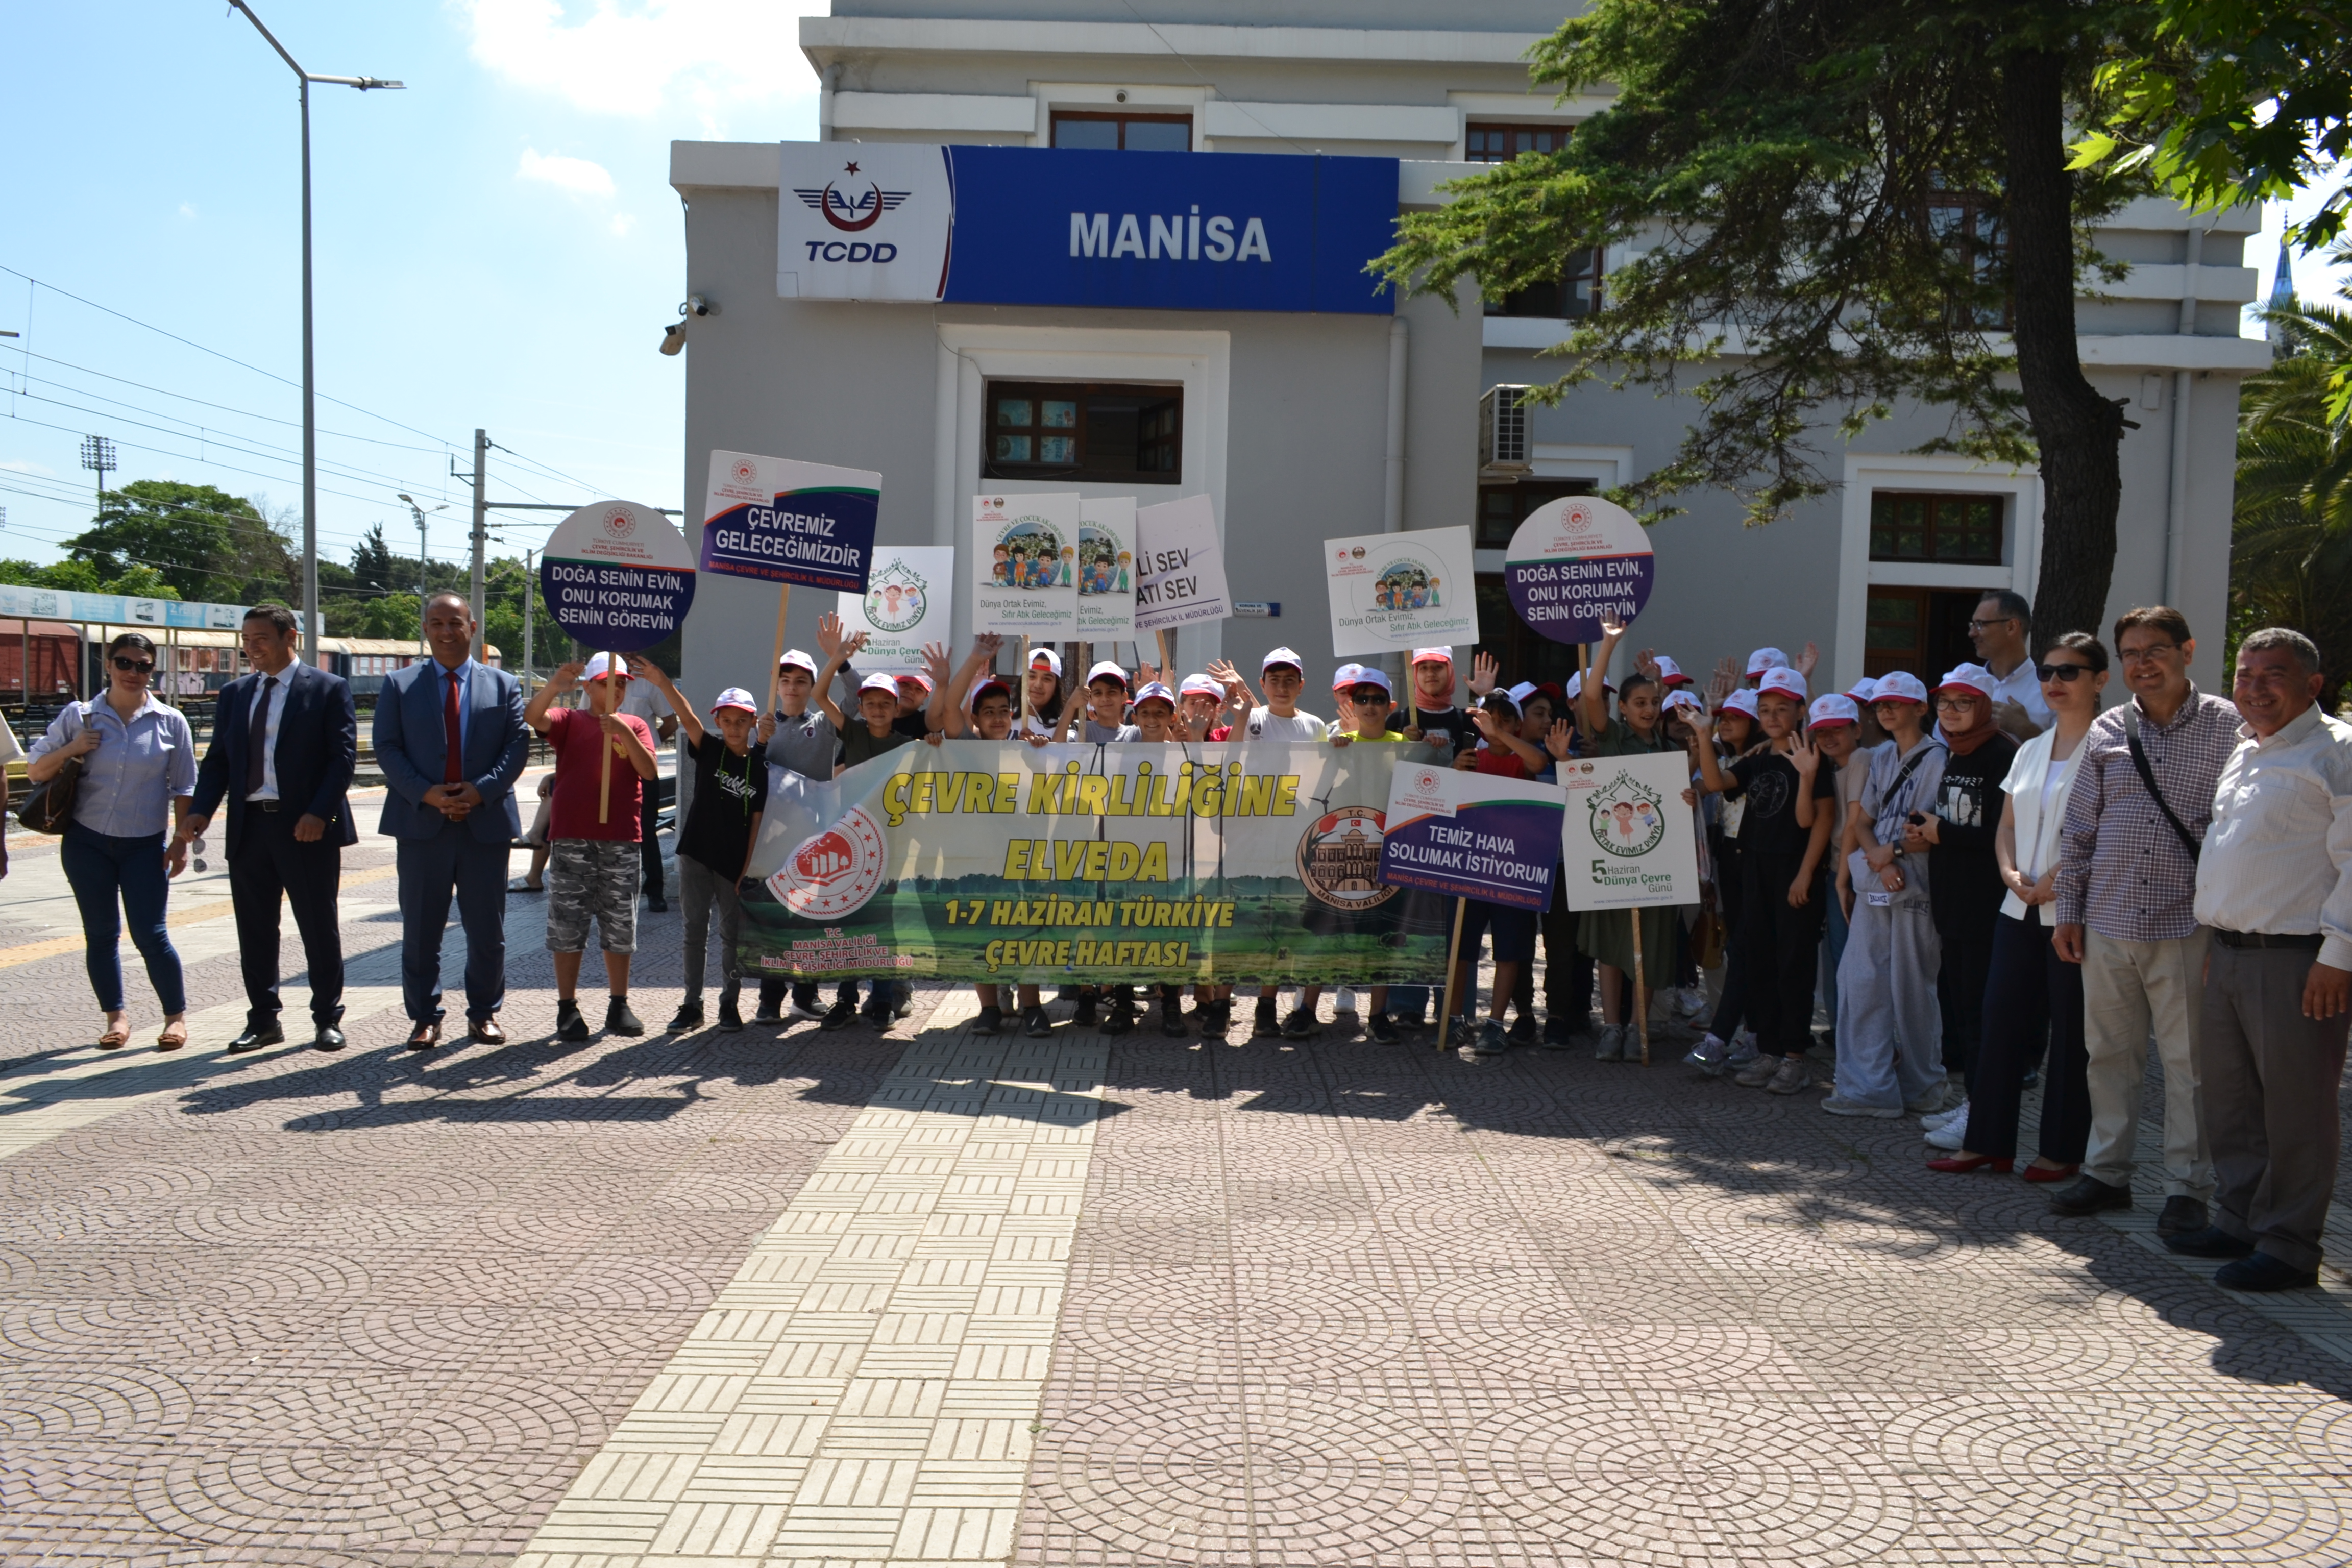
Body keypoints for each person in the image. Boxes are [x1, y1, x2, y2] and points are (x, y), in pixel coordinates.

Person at [2167, 629, 2352, 1290]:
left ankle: (2291, 1245)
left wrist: (2340, 956)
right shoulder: (2245, 750)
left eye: (2273, 674)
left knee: (2296, 1109)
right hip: (2231, 952)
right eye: (2245, 675)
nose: (2255, 687)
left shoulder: (2338, 752)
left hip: (2300, 960)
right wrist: (2222, 941)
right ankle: (2240, 1219)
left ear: (2312, 683)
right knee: (2233, 1102)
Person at [2048, 606, 2240, 1234]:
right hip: (2106, 919)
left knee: (2190, 1065)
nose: (2142, 663)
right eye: (2130, 653)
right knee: (2108, 1055)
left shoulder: (2228, 728)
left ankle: (2188, 1186)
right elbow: (2079, 830)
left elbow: (2238, 832)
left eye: (2155, 649)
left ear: (2187, 650)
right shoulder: (2109, 727)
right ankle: (2108, 1174)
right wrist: (2069, 912)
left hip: (2186, 925)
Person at [1927, 633, 2106, 1177]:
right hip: (2016, 907)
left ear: (2099, 681)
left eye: (2070, 672)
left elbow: (2104, 832)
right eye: (2049, 672)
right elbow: (2006, 824)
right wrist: (2009, 872)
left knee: (2069, 1037)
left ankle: (2060, 1152)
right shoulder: (2029, 748)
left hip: (2070, 910)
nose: (2055, 682)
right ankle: (1987, 1141)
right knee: (1998, 1022)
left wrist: (2056, 879)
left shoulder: (2112, 748)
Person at [178, 603, 357, 1054]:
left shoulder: (328, 689)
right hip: (249, 828)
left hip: (306, 828)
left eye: (260, 638)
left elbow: (342, 760)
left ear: (289, 637)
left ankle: (327, 1018)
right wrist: (200, 810)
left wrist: (320, 813)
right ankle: (263, 1020)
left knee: (318, 926)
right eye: (246, 640)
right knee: (255, 929)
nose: (251, 648)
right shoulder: (237, 694)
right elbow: (218, 760)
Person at [375, 592, 531, 1050]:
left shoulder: (504, 685)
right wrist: (427, 793)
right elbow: (387, 747)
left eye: (456, 623)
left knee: (488, 929)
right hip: (422, 823)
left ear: (473, 628)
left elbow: (516, 747)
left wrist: (479, 791)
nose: (447, 631)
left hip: (485, 825)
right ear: (426, 629)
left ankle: (484, 1014)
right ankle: (425, 1017)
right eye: (437, 623)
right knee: (422, 929)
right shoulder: (399, 685)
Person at [27, 631, 194, 1051]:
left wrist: (181, 840)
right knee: (101, 935)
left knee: (151, 934)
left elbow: (185, 786)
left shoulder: (171, 721)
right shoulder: (80, 717)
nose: (134, 673)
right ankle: (116, 1018)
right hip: (87, 843)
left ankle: (175, 1018)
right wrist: (72, 748)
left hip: (144, 844)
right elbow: (35, 771)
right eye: (125, 663)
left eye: (143, 666)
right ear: (108, 664)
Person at [1690, 665, 1836, 1090]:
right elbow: (1716, 782)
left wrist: (1806, 874)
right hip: (1755, 868)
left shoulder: (1811, 755)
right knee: (1760, 961)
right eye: (1766, 709)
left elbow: (1822, 820)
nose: (1773, 717)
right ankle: (1769, 1051)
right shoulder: (1758, 758)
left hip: (1794, 871)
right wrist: (1704, 734)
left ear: (1800, 711)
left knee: (1794, 964)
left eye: (1782, 709)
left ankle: (1794, 1057)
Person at [1825, 672, 1949, 1116]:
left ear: (1921, 708)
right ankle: (1869, 1087)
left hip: (1917, 879)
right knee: (1861, 981)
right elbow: (1862, 819)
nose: (1887, 710)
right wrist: (1880, 856)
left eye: (1897, 703)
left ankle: (1924, 1086)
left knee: (1913, 986)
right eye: (1881, 705)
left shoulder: (1939, 758)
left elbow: (1932, 830)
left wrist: (1890, 852)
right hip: (1879, 876)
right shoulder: (1880, 757)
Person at [1580, 616, 1702, 1062]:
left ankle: (1639, 1026)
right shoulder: (1611, 738)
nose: (1649, 709)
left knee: (1648, 946)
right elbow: (1592, 696)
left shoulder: (1671, 752)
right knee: (1612, 948)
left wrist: (1688, 792)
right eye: (1639, 702)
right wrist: (1608, 646)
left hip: (1656, 867)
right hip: (1612, 864)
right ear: (1625, 709)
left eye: (1654, 701)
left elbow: (1682, 799)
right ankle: (1612, 1027)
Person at [526, 653, 660, 1041]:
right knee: (568, 924)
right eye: (606, 683)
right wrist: (553, 686)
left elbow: (648, 771)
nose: (616, 690)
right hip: (573, 838)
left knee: (620, 924)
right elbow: (535, 718)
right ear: (589, 687)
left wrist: (623, 731)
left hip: (620, 838)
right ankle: (567, 1007)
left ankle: (619, 1003)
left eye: (621, 684)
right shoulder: (571, 722)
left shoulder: (634, 724)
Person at [631, 669, 768, 1035]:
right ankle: (692, 1004)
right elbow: (687, 718)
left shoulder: (759, 766)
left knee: (731, 936)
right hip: (695, 855)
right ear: (718, 721)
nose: (735, 727)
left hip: (732, 863)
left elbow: (756, 821)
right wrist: (663, 685)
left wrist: (746, 868)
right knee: (694, 931)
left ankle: (730, 1003)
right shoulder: (709, 748)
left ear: (753, 722)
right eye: (728, 720)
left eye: (742, 721)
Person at [1904, 664, 2018, 1101]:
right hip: (1951, 905)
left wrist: (1942, 833)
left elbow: (2004, 836)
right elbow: (1954, 823)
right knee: (1963, 1013)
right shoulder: (1954, 751)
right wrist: (1928, 831)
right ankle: (1973, 1108)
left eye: (1963, 702)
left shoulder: (2005, 754)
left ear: (1985, 706)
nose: (1950, 711)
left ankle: (1982, 1113)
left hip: (1987, 909)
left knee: (1983, 1016)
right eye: (1944, 702)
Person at [751, 620, 861, 1024]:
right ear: (776, 683)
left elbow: (855, 698)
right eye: (786, 679)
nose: (794, 687)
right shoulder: (761, 726)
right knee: (774, 920)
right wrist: (759, 743)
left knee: (809, 918)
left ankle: (805, 993)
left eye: (802, 680)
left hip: (813, 838)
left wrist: (840, 660)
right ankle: (769, 999)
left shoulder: (823, 724)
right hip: (771, 842)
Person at [1243, 647, 1329, 1038]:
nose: (1281, 686)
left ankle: (1298, 1007)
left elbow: (1327, 776)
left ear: (1301, 685)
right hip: (1259, 842)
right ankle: (1265, 1005)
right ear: (1262, 684)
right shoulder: (1252, 718)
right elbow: (1229, 756)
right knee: (1266, 925)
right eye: (1274, 680)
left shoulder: (1315, 726)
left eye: (1289, 680)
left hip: (1302, 842)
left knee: (1302, 927)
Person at [616, 663, 679, 912]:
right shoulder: (602, 679)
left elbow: (671, 723)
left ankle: (655, 890)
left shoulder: (647, 682)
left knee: (646, 829)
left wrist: (649, 746)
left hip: (643, 769)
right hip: (611, 767)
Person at [1967, 589, 2051, 742]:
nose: (1972, 633)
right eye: (1972, 625)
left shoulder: (2050, 689)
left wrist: (2023, 728)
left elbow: (2068, 756)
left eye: (1980, 625)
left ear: (2012, 627)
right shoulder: (1965, 682)